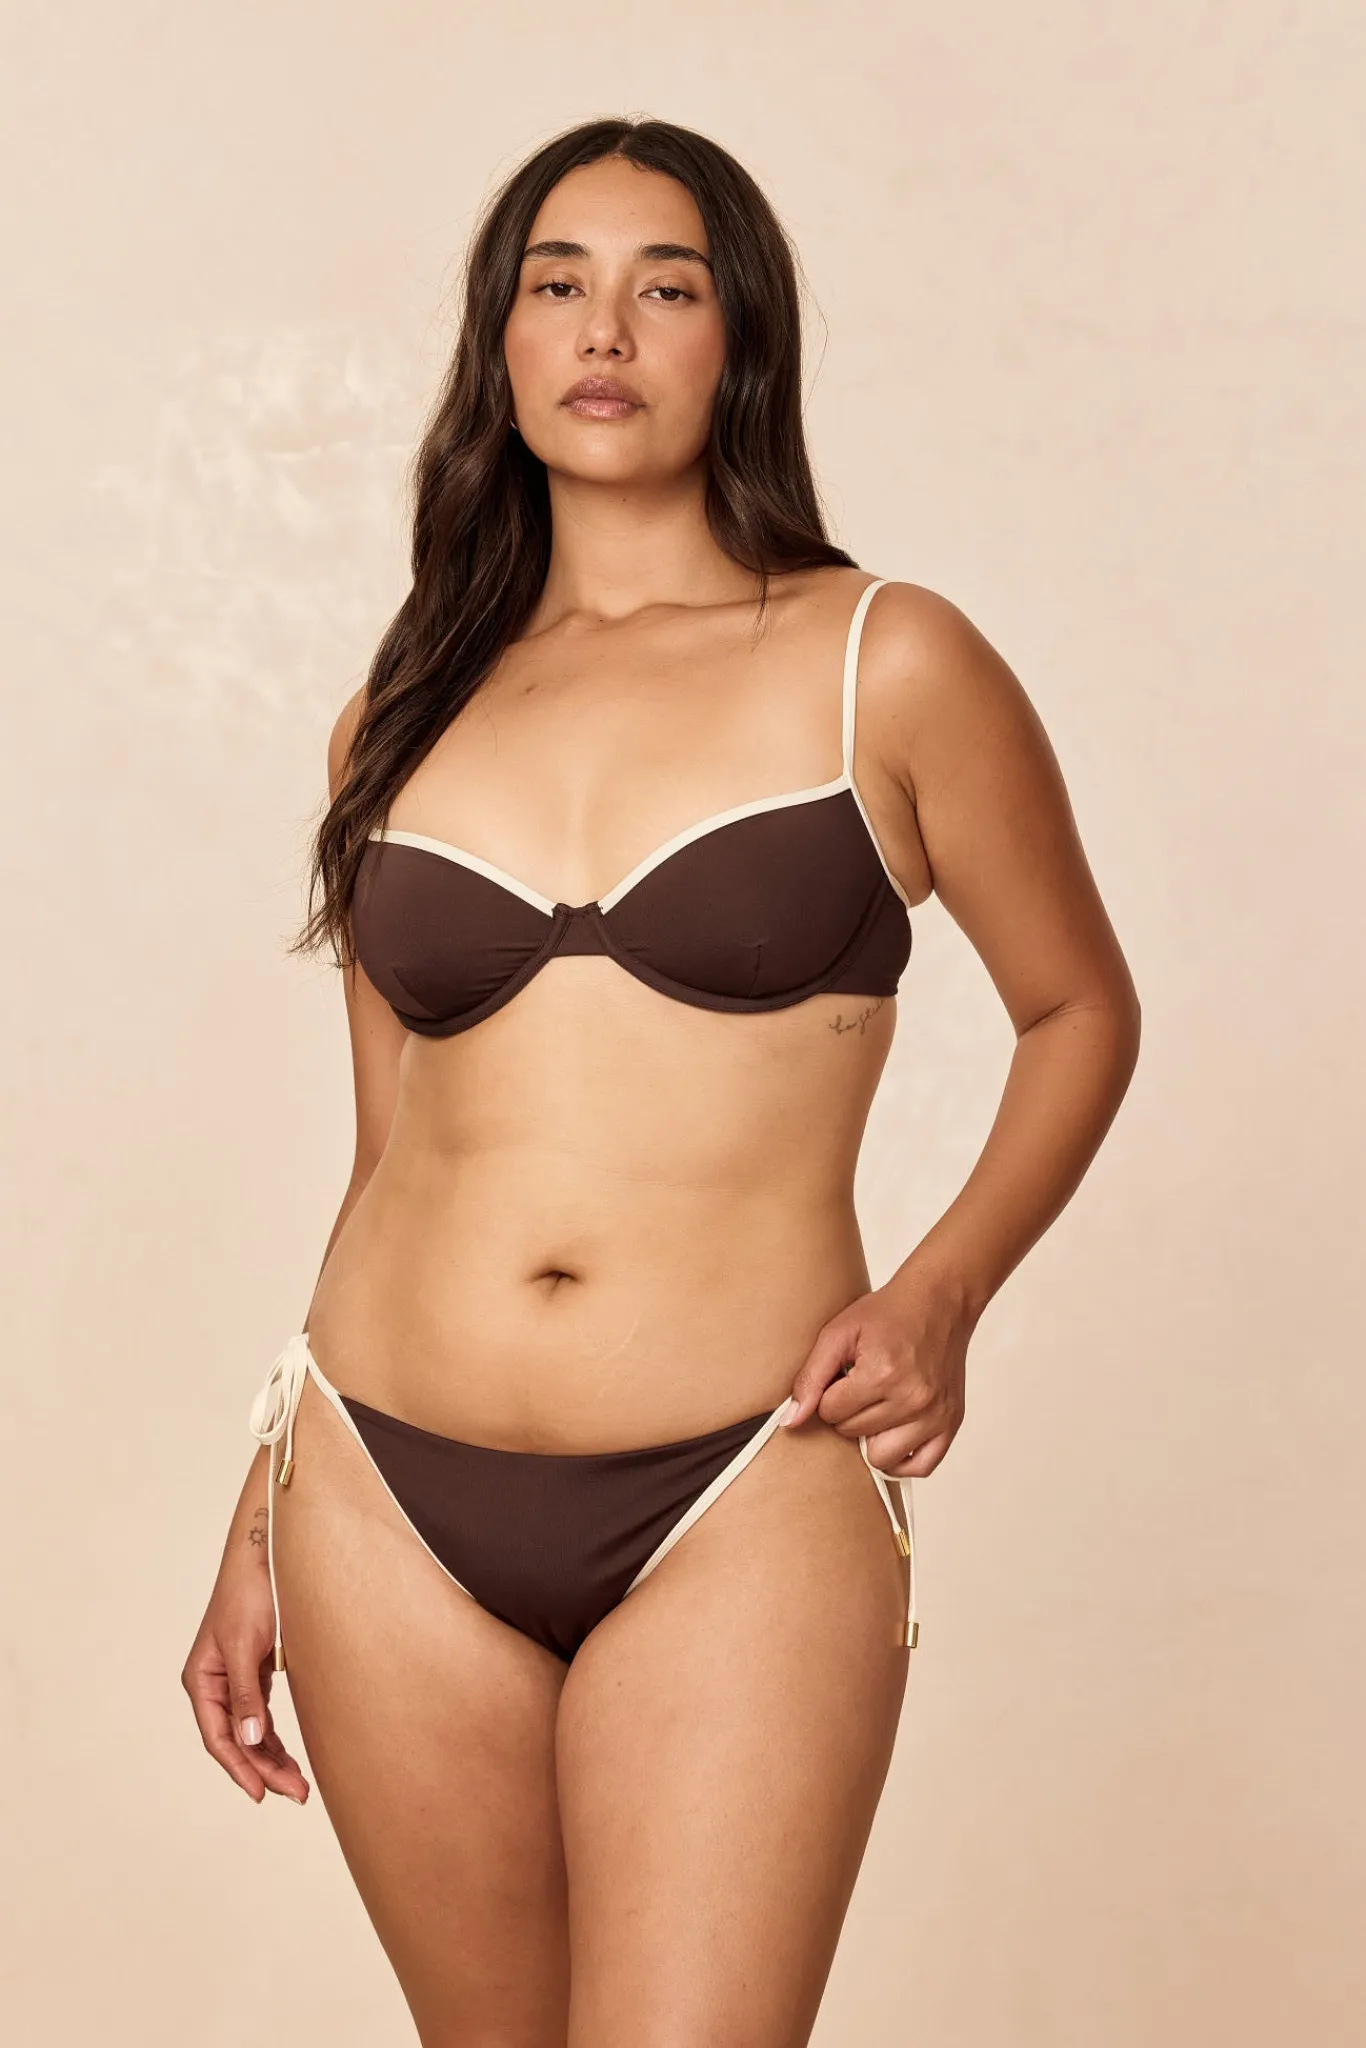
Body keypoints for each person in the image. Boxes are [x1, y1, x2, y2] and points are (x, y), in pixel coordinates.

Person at [181, 115, 1140, 2047]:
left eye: (665, 287)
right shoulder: (400, 711)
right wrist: (260, 1497)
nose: (604, 329)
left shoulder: (884, 660)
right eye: (557, 283)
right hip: (380, 1485)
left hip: (740, 1479)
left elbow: (1078, 1011)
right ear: (502, 340)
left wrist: (940, 1296)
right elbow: (390, 1146)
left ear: (737, 341)